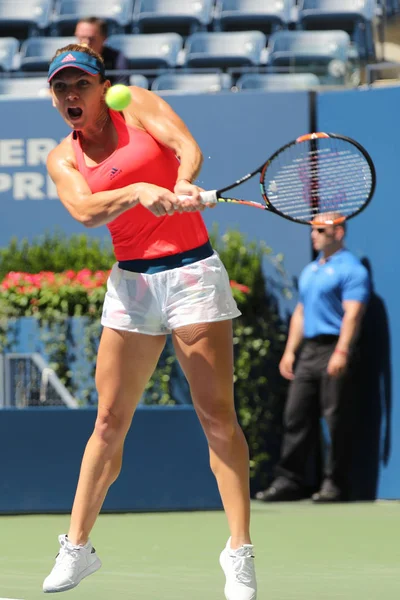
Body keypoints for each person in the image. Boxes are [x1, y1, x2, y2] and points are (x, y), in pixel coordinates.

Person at [42, 44, 257, 600]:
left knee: (216, 417)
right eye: (61, 87)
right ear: (53, 96)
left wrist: (183, 181)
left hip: (191, 274)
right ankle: (77, 548)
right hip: (132, 284)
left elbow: (187, 147)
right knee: (109, 421)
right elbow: (85, 211)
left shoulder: (134, 104)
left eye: (81, 85)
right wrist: (138, 190)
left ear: (100, 87)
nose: (71, 95)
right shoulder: (62, 158)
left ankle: (239, 553)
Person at [256, 213, 370, 504]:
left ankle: (335, 484)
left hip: (334, 348)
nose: (314, 235)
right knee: (295, 416)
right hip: (308, 352)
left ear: (339, 233)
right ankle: (289, 481)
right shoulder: (310, 271)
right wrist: (290, 351)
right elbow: (301, 313)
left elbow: (352, 315)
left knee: (335, 420)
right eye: (313, 230)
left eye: (320, 230)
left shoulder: (352, 270)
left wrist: (342, 351)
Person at [75, 17, 129, 85]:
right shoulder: (68, 60)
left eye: (91, 39)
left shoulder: (117, 59)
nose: (86, 42)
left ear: (104, 38)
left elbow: (122, 86)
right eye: (81, 38)